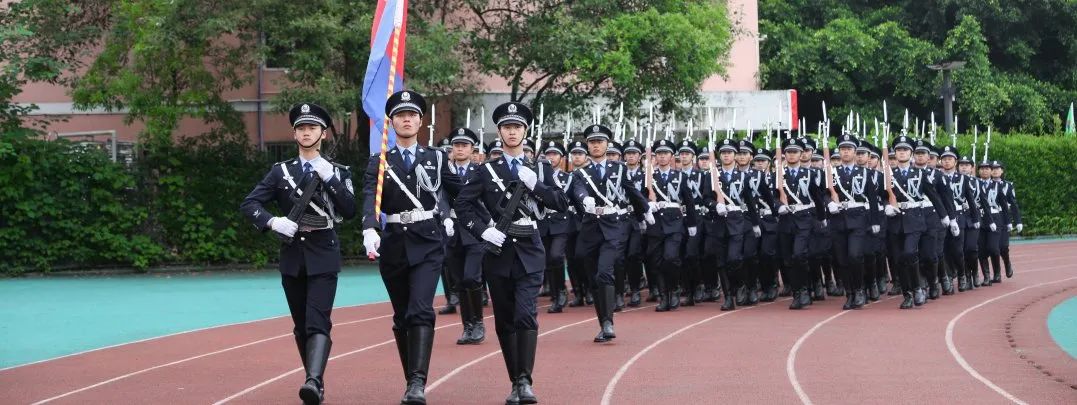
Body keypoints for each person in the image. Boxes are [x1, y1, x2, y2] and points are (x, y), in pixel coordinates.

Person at [240, 103, 357, 405]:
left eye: (313, 128)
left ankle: (314, 380)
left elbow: (350, 210)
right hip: (293, 257)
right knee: (301, 325)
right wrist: (272, 221)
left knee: (318, 321)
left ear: (322, 134)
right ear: (294, 134)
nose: (306, 132)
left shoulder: (338, 171)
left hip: (323, 255)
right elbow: (250, 204)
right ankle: (314, 381)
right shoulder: (280, 172)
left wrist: (330, 178)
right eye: (301, 128)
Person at [455, 101, 570, 404]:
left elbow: (561, 203)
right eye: (507, 127)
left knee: (525, 313)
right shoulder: (485, 171)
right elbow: (462, 205)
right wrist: (482, 230)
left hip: (530, 250)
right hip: (498, 251)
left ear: (525, 131)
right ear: (500, 132)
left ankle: (525, 380)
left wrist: (537, 186)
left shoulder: (541, 168)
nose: (512, 131)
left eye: (517, 126)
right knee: (505, 319)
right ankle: (514, 381)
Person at [360, 90, 463, 405]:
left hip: (428, 242)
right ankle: (411, 380)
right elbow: (368, 197)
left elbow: (459, 191)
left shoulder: (435, 157)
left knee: (421, 310)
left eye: (412, 115)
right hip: (393, 244)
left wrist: (471, 218)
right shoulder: (379, 162)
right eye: (400, 115)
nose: (406, 119)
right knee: (402, 315)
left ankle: (417, 383)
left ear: (420, 121)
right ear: (391, 123)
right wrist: (368, 227)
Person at [569, 124, 648, 342]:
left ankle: (608, 323)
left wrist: (645, 211)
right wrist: (585, 199)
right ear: (588, 145)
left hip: (613, 227)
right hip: (590, 229)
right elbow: (577, 190)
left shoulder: (619, 168)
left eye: (600, 141)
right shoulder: (580, 173)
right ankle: (603, 321)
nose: (596, 145)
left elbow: (632, 191)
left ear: (607, 144)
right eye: (592, 142)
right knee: (595, 279)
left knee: (605, 272)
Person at [443, 127, 489, 345]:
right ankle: (467, 326)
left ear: (472, 149)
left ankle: (478, 322)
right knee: (460, 282)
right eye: (457, 145)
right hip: (452, 231)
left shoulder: (480, 171)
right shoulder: (444, 170)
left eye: (464, 145)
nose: (460, 149)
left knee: (472, 277)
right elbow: (440, 196)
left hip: (474, 230)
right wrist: (444, 217)